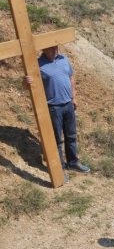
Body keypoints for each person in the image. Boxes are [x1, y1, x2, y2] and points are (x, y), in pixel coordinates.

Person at [22, 46, 89, 184]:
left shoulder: (64, 59)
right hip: (53, 108)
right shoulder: (37, 64)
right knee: (57, 140)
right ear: (43, 49)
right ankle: (60, 169)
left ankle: (73, 162)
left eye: (56, 47)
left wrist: (74, 98)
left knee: (71, 136)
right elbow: (28, 86)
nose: (55, 50)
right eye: (52, 48)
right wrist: (25, 82)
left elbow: (71, 78)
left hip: (68, 105)